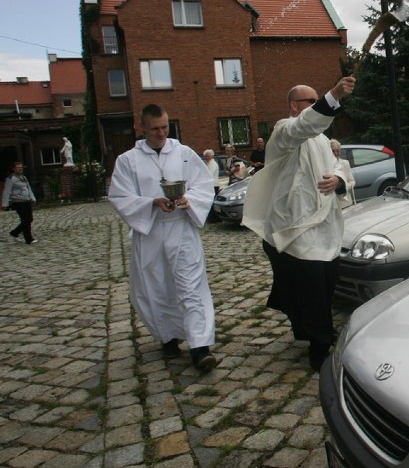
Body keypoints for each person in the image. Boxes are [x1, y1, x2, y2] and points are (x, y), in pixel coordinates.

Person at [242, 76, 355, 371]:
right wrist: (332, 97)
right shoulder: (284, 132)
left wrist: (338, 179)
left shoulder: (321, 141)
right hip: (297, 226)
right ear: (295, 106)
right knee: (313, 287)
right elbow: (304, 125)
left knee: (326, 282)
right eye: (312, 101)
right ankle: (320, 348)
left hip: (325, 225)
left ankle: (307, 326)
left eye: (318, 100)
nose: (317, 105)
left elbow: (338, 169)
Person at [108, 104, 218, 371]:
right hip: (151, 232)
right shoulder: (127, 160)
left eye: (165, 127)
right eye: (155, 128)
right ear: (142, 127)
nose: (161, 133)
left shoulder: (183, 154)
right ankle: (167, 336)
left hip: (181, 228)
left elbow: (203, 186)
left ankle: (200, 347)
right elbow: (120, 196)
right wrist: (151, 203)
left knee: (191, 286)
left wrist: (187, 199)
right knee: (155, 287)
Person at [3, 161, 38, 244]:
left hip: (26, 200)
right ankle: (29, 239)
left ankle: (14, 233)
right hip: (18, 202)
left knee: (29, 219)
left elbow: (28, 188)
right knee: (25, 219)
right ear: (14, 169)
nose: (20, 169)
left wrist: (33, 198)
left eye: (21, 167)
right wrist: (5, 204)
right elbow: (6, 192)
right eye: (18, 167)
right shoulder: (11, 179)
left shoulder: (23, 177)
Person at [330, 139, 356, 209]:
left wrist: (344, 185)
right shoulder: (325, 166)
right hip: (333, 206)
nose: (336, 153)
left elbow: (352, 181)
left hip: (347, 203)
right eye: (333, 151)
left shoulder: (345, 163)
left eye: (338, 150)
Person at [203, 149, 221, 223]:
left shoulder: (212, 164)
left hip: (213, 185)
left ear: (210, 156)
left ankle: (214, 218)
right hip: (212, 185)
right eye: (205, 156)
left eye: (206, 156)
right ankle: (212, 218)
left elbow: (209, 175)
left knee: (212, 201)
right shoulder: (210, 164)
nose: (206, 158)